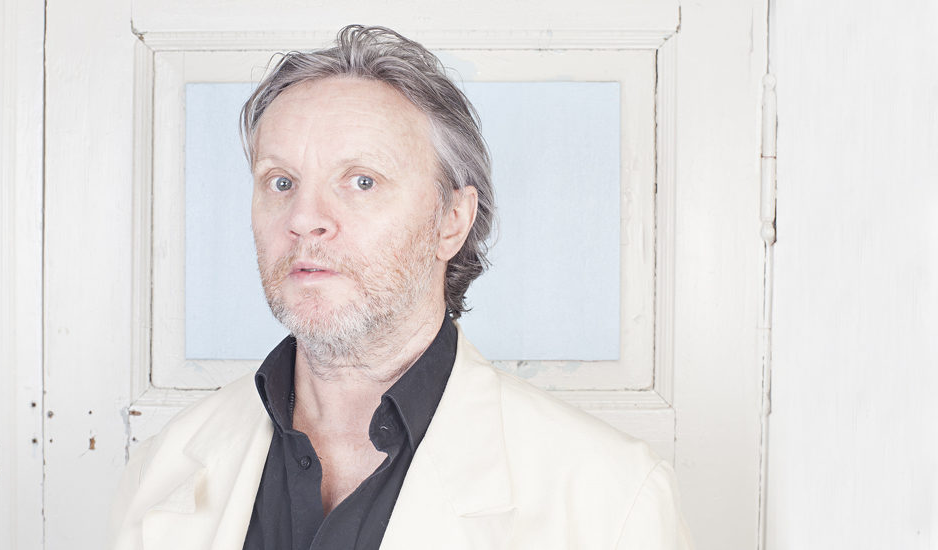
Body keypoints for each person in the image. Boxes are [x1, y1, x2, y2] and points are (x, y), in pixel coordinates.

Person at [109, 25, 693, 549]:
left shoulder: (613, 499)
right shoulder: (163, 468)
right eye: (281, 181)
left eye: (362, 181)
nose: (304, 218)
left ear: (451, 221)